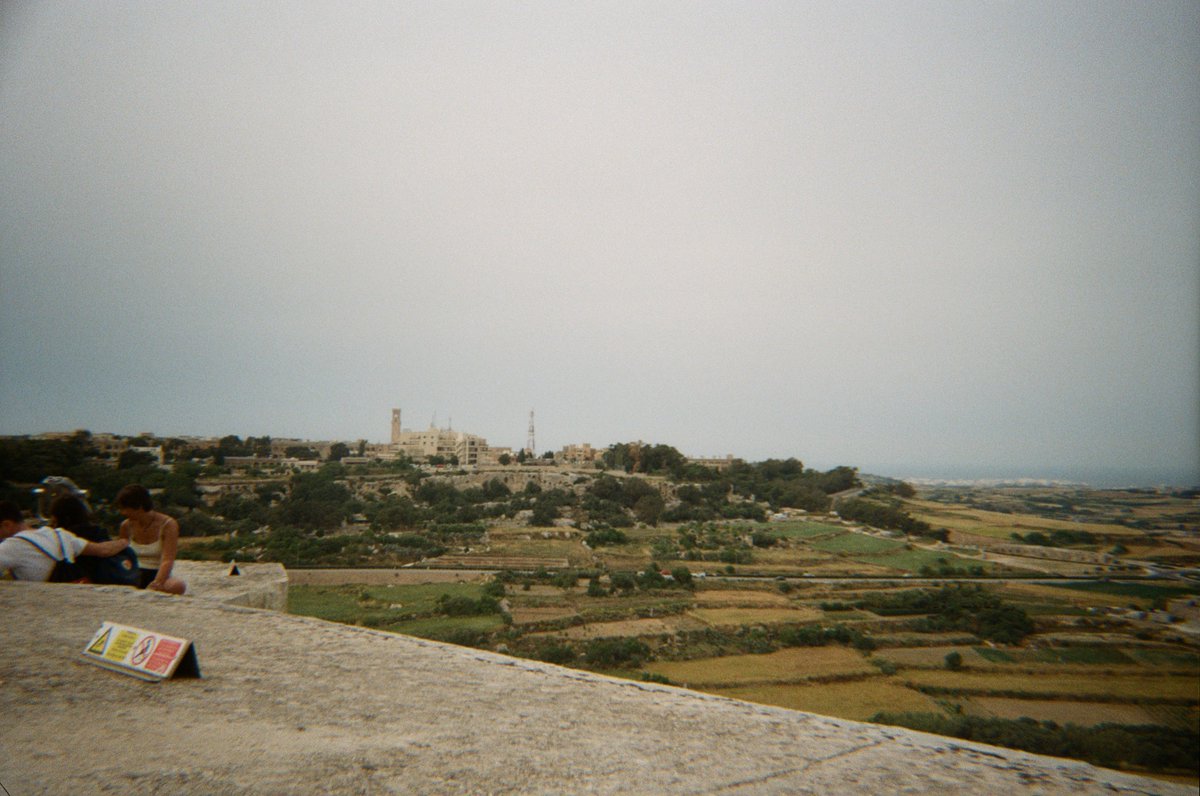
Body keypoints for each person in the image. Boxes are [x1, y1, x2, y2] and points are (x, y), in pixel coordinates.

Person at [0, 500, 130, 582]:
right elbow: (103, 550)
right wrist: (124, 542)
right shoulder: (57, 534)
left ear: (7, 524)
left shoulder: (12, 545)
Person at [115, 484, 187, 594]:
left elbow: (168, 559)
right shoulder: (125, 526)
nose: (123, 513)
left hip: (157, 571)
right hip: (133, 572)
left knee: (178, 586)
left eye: (125, 508)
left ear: (138, 507)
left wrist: (157, 582)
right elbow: (122, 555)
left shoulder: (168, 524)